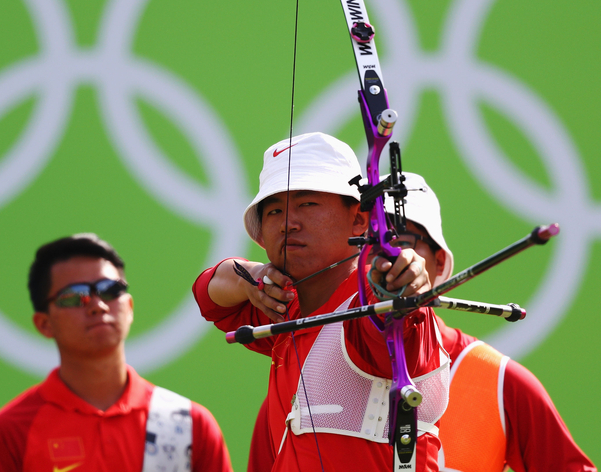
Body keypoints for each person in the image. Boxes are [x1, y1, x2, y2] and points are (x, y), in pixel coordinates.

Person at [247, 173, 595, 472]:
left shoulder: (499, 379)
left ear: (439, 261)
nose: (384, 262)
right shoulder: (305, 374)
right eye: (367, 247)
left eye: (398, 245)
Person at [192, 132, 450, 472]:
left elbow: (394, 312)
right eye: (273, 211)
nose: (287, 223)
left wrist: (405, 281)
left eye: (307, 204)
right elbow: (208, 292)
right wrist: (254, 277)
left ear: (359, 219)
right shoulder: (285, 308)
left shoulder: (368, 310)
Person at [0, 234, 233, 472]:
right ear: (44, 323)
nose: (97, 305)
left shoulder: (189, 424)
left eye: (110, 290)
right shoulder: (8, 432)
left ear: (129, 307)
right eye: (75, 296)